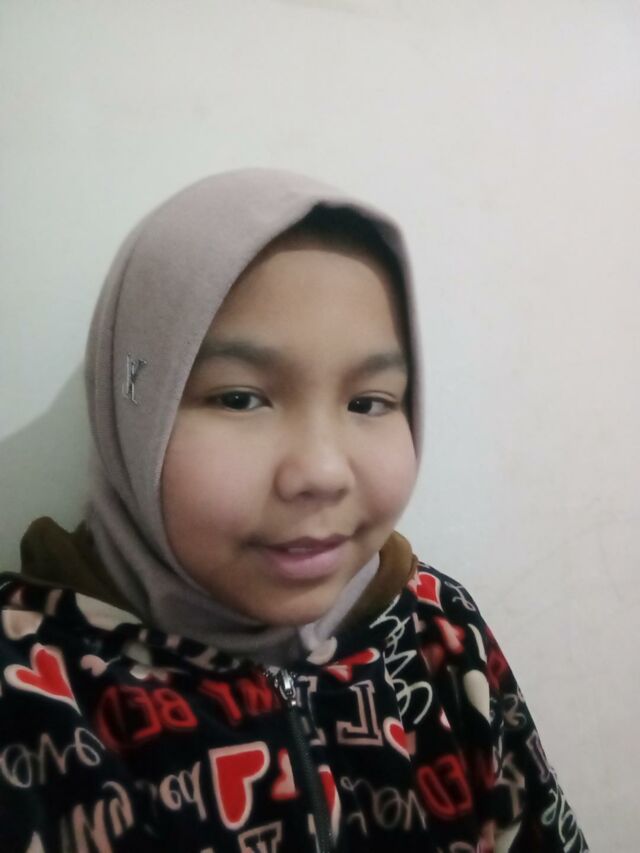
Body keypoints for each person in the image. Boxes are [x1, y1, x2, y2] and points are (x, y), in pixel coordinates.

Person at [0, 169, 588, 852]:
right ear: (132, 411)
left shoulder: (438, 630)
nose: (322, 472)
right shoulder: (28, 693)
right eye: (240, 398)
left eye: (369, 402)